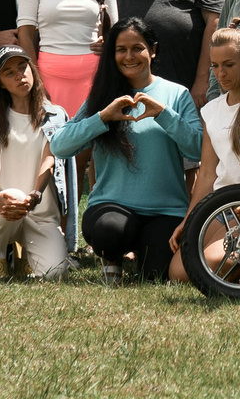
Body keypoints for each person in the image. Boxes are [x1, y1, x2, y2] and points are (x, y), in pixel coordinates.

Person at [55, 17, 202, 283]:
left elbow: (198, 149)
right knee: (110, 232)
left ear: (152, 50)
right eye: (121, 49)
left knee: (157, 275)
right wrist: (102, 118)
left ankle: (142, 253)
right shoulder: (102, 95)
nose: (129, 56)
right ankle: (112, 258)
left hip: (166, 212)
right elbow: (60, 146)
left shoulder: (177, 95)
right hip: (111, 208)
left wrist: (163, 114)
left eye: (137, 48)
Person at [173, 28, 240, 285]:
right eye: (215, 66)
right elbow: (206, 175)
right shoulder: (210, 111)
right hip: (221, 208)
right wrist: (189, 219)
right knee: (179, 274)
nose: (221, 74)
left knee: (204, 272)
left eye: (229, 65)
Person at [0, 46, 68, 280]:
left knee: (54, 274)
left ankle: (24, 253)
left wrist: (35, 195)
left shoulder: (56, 115)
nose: (19, 75)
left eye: (23, 67)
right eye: (9, 72)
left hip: (40, 214)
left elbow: (50, 157)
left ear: (32, 69)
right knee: (13, 195)